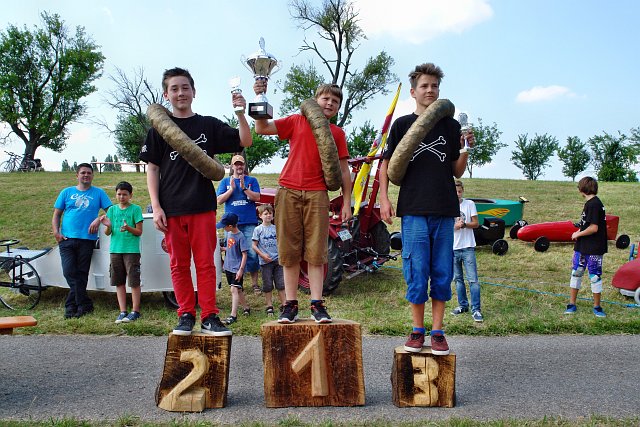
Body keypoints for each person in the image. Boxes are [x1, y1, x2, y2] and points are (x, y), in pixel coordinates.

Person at [139, 67, 252, 336]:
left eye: (185, 87)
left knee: (205, 264)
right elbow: (152, 169)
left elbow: (244, 140)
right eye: (174, 89)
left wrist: (240, 114)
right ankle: (185, 315)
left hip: (202, 206)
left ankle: (209, 315)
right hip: (171, 208)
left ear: (194, 92)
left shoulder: (208, 125)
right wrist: (156, 207)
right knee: (178, 265)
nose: (180, 93)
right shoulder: (158, 131)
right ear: (166, 95)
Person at [379, 63, 474, 355]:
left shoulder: (450, 125)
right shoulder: (402, 125)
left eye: (434, 86)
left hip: (444, 209)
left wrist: (466, 148)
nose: (430, 90)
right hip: (413, 208)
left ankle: (438, 332)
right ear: (413, 92)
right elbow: (386, 165)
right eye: (424, 86)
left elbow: (457, 171)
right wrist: (384, 198)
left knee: (442, 271)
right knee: (416, 270)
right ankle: (417, 330)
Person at [253, 80, 352, 324]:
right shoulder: (296, 121)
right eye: (325, 98)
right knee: (289, 251)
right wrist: (260, 98)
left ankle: (317, 304)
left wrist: (347, 202)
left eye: (335, 101)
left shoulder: (337, 133)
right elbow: (261, 128)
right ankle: (290, 304)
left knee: (316, 251)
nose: (330, 103)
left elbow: (344, 170)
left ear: (338, 108)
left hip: (318, 194)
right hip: (288, 190)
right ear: (315, 101)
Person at [52, 163, 112, 319]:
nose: (86, 175)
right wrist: (56, 233)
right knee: (69, 272)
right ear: (77, 175)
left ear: (92, 175)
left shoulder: (99, 193)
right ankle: (84, 303)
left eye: (89, 173)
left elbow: (112, 212)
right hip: (67, 239)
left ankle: (73, 307)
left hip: (87, 239)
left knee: (82, 273)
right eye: (83, 173)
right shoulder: (66, 192)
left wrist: (99, 219)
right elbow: (57, 214)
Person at [98, 181, 144, 323]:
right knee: (119, 281)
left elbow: (139, 232)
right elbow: (107, 233)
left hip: (131, 251)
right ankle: (122, 311)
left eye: (125, 194)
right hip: (115, 250)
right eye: (119, 194)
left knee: (134, 281)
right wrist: (108, 226)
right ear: (116, 195)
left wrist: (128, 228)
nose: (121, 197)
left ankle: (135, 311)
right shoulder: (112, 210)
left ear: (130, 195)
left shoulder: (136, 209)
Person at [216, 154, 261, 294]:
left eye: (241, 164)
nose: (239, 166)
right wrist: (231, 189)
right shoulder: (225, 181)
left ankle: (255, 284)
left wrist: (244, 188)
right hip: (231, 225)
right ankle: (235, 282)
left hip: (249, 222)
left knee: (252, 253)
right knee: (231, 253)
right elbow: (219, 200)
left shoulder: (251, 180)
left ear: (244, 165)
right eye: (236, 164)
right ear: (232, 166)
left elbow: (257, 197)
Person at [564, 176, 608, 318]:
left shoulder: (594, 204)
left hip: (594, 248)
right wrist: (579, 230)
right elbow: (586, 224)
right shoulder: (590, 203)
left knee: (594, 276)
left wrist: (578, 234)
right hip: (582, 246)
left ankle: (597, 307)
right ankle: (571, 304)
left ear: (582, 189)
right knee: (576, 273)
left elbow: (594, 228)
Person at [450, 180, 482, 322]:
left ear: (462, 191)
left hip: (468, 247)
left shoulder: (469, 204)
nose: (457, 194)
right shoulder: (447, 206)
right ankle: (463, 305)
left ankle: (476, 309)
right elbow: (445, 228)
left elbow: (476, 223)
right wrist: (455, 227)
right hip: (453, 248)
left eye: (459, 191)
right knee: (458, 279)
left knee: (473, 280)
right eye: (455, 191)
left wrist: (464, 225)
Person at [216, 212, 251, 325]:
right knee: (238, 290)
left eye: (224, 226)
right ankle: (246, 307)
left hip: (237, 268)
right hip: (228, 267)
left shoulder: (240, 237)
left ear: (230, 226)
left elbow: (244, 254)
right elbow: (231, 248)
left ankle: (233, 315)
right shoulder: (229, 234)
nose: (223, 228)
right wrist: (223, 249)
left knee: (234, 290)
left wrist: (241, 269)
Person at [252, 204, 286, 315]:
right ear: (260, 216)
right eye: (265, 214)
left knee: (281, 283)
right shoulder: (258, 230)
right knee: (267, 284)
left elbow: (281, 243)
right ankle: (269, 305)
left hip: (277, 260)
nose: (268, 216)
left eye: (270, 213)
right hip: (265, 262)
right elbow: (254, 245)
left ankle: (284, 304)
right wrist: (263, 255)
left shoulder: (276, 228)